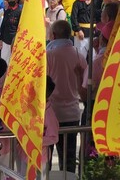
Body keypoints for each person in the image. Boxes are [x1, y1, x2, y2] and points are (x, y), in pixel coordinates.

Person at [46, 20, 87, 173]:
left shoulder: (49, 55)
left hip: (51, 112)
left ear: (54, 35)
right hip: (72, 112)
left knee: (46, 157)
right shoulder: (78, 54)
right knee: (68, 159)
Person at [0, 0, 23, 64]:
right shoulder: (7, 11)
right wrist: (0, 39)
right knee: (4, 61)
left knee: (13, 62)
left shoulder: (20, 11)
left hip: (14, 42)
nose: (9, 1)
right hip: (5, 40)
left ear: (16, 0)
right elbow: (3, 26)